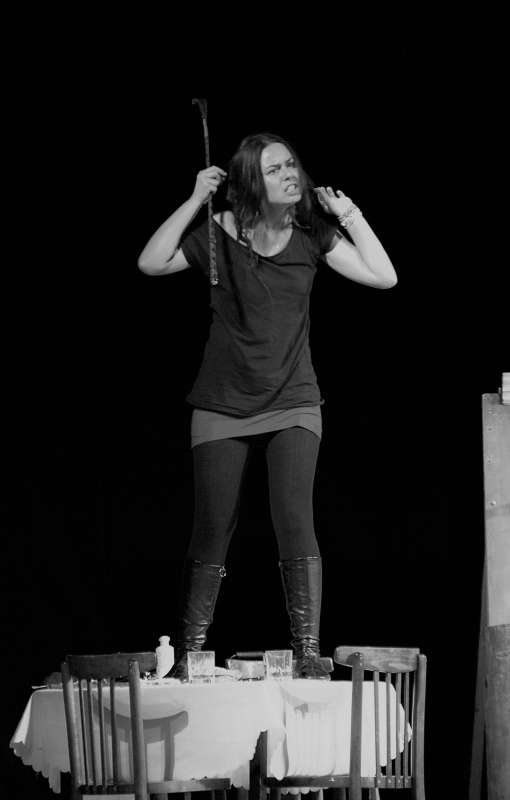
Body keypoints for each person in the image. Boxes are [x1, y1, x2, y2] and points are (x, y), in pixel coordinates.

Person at [138, 132, 397, 680]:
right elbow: (151, 263)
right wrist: (194, 199)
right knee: (212, 526)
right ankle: (188, 656)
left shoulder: (312, 232)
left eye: (291, 164)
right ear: (252, 183)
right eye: (275, 169)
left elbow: (384, 276)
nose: (289, 174)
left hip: (294, 399)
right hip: (222, 402)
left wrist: (348, 214)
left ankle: (306, 653)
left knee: (294, 518)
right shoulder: (218, 233)